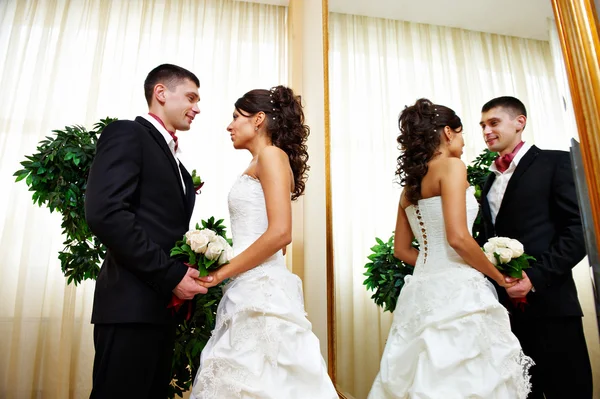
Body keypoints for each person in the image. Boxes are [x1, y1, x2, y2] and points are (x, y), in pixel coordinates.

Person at [368, 98, 532, 399]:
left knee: (422, 374)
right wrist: (498, 276)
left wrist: (433, 266)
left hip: (421, 289)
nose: (465, 141)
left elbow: (401, 250)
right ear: (447, 132)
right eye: (462, 132)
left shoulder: (410, 186)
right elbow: (458, 238)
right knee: (471, 377)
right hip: (459, 289)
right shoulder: (453, 167)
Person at [189, 85, 337, 399]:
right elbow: (273, 242)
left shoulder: (270, 155)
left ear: (258, 119)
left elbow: (281, 234)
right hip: (252, 285)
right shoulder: (263, 160)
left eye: (235, 117)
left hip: (260, 290)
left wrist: (220, 272)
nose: (229, 126)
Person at [85, 64, 207, 399]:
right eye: (191, 97)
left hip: (159, 310)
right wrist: (171, 275)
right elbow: (105, 212)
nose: (197, 107)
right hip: (130, 307)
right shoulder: (127, 133)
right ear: (161, 93)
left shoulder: (178, 164)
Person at [478, 96, 592, 398]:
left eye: (493, 123)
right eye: (482, 126)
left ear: (519, 122)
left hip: (553, 305)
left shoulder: (556, 162)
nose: (486, 131)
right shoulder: (489, 181)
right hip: (508, 315)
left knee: (568, 390)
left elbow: (578, 230)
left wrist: (535, 279)